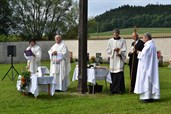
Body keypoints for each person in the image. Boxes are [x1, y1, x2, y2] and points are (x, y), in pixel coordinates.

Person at [134, 32, 160, 103]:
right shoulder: (152, 45)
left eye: (143, 38)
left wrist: (138, 53)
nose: (142, 39)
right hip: (149, 66)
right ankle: (150, 96)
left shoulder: (148, 46)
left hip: (146, 68)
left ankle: (147, 97)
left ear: (147, 38)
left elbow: (144, 56)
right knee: (149, 81)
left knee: (146, 81)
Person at [107, 29, 127, 94]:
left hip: (119, 59)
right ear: (113, 34)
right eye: (114, 34)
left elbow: (124, 50)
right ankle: (113, 89)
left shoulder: (123, 41)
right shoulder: (110, 41)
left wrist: (119, 51)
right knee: (113, 74)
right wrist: (113, 50)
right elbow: (108, 50)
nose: (115, 35)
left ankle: (120, 89)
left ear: (119, 34)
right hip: (113, 60)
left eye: (117, 34)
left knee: (119, 74)